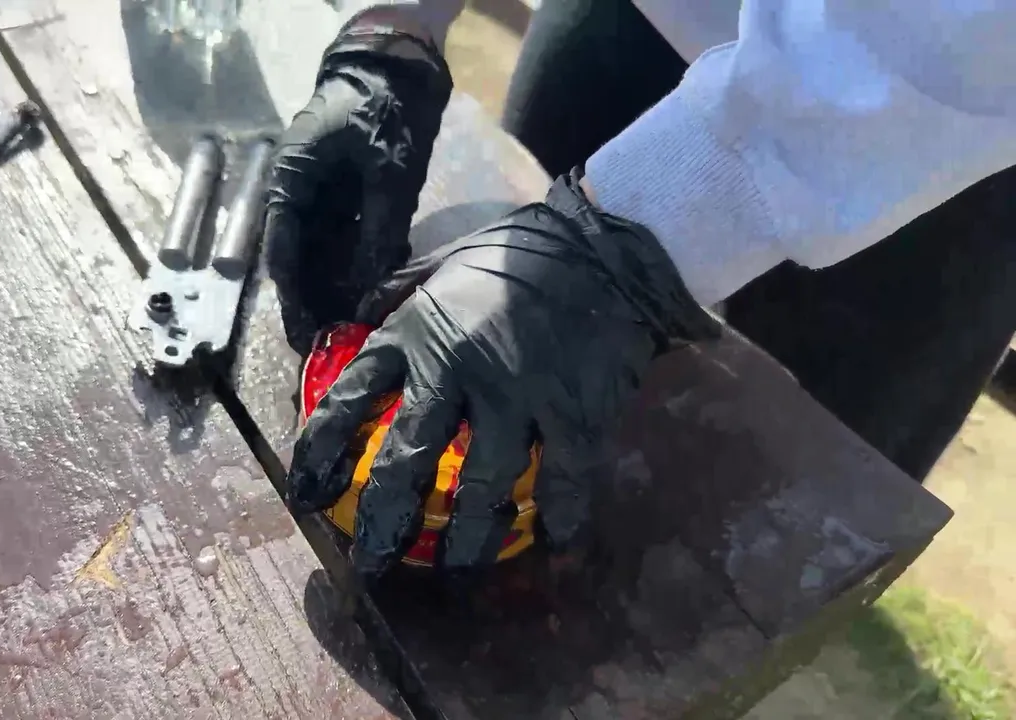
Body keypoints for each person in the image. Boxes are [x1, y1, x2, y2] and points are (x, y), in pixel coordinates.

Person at [263, 0, 1016, 581]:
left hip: (943, 126)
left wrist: (617, 239)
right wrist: (397, 28)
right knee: (503, 385)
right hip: (649, 20)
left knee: (774, 540)